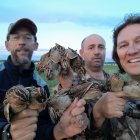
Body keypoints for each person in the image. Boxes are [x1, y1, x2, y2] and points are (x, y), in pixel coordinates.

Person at [0, 18, 88, 140]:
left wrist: (59, 131)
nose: (21, 42)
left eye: (27, 37)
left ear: (36, 46)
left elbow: (42, 127)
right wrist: (6, 132)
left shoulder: (41, 86)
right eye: (15, 37)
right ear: (7, 45)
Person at [91, 14, 140, 139]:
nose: (132, 50)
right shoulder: (120, 99)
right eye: (123, 45)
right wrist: (97, 116)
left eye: (139, 41)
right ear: (117, 55)